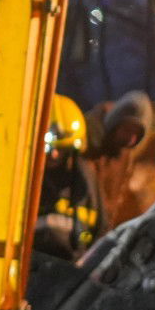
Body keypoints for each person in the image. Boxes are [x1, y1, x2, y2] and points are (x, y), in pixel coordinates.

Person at [35, 94, 104, 262]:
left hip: (72, 276)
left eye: (61, 148)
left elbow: (100, 232)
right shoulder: (25, 185)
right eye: (47, 149)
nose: (54, 154)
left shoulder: (86, 182)